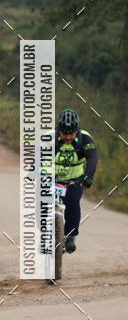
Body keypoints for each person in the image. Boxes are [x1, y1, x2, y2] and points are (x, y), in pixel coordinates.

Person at [55, 108, 97, 253]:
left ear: (77, 131)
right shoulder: (49, 138)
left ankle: (71, 236)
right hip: (53, 179)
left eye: (71, 134)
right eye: (64, 134)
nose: (67, 137)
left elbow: (92, 158)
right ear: (58, 130)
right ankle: (43, 233)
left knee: (73, 203)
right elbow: (38, 157)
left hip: (74, 181)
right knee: (40, 202)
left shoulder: (85, 138)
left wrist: (87, 177)